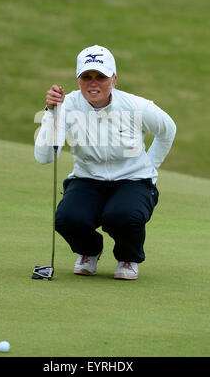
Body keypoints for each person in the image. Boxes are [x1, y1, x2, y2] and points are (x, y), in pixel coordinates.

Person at [35, 45, 176, 280]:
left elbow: (167, 130)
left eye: (101, 77)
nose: (93, 83)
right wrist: (51, 113)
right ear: (77, 79)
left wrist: (150, 167)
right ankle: (89, 252)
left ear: (114, 79)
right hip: (87, 179)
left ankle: (128, 258)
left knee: (122, 215)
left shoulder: (136, 106)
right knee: (67, 219)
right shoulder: (66, 105)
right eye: (86, 77)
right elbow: (45, 157)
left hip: (133, 181)